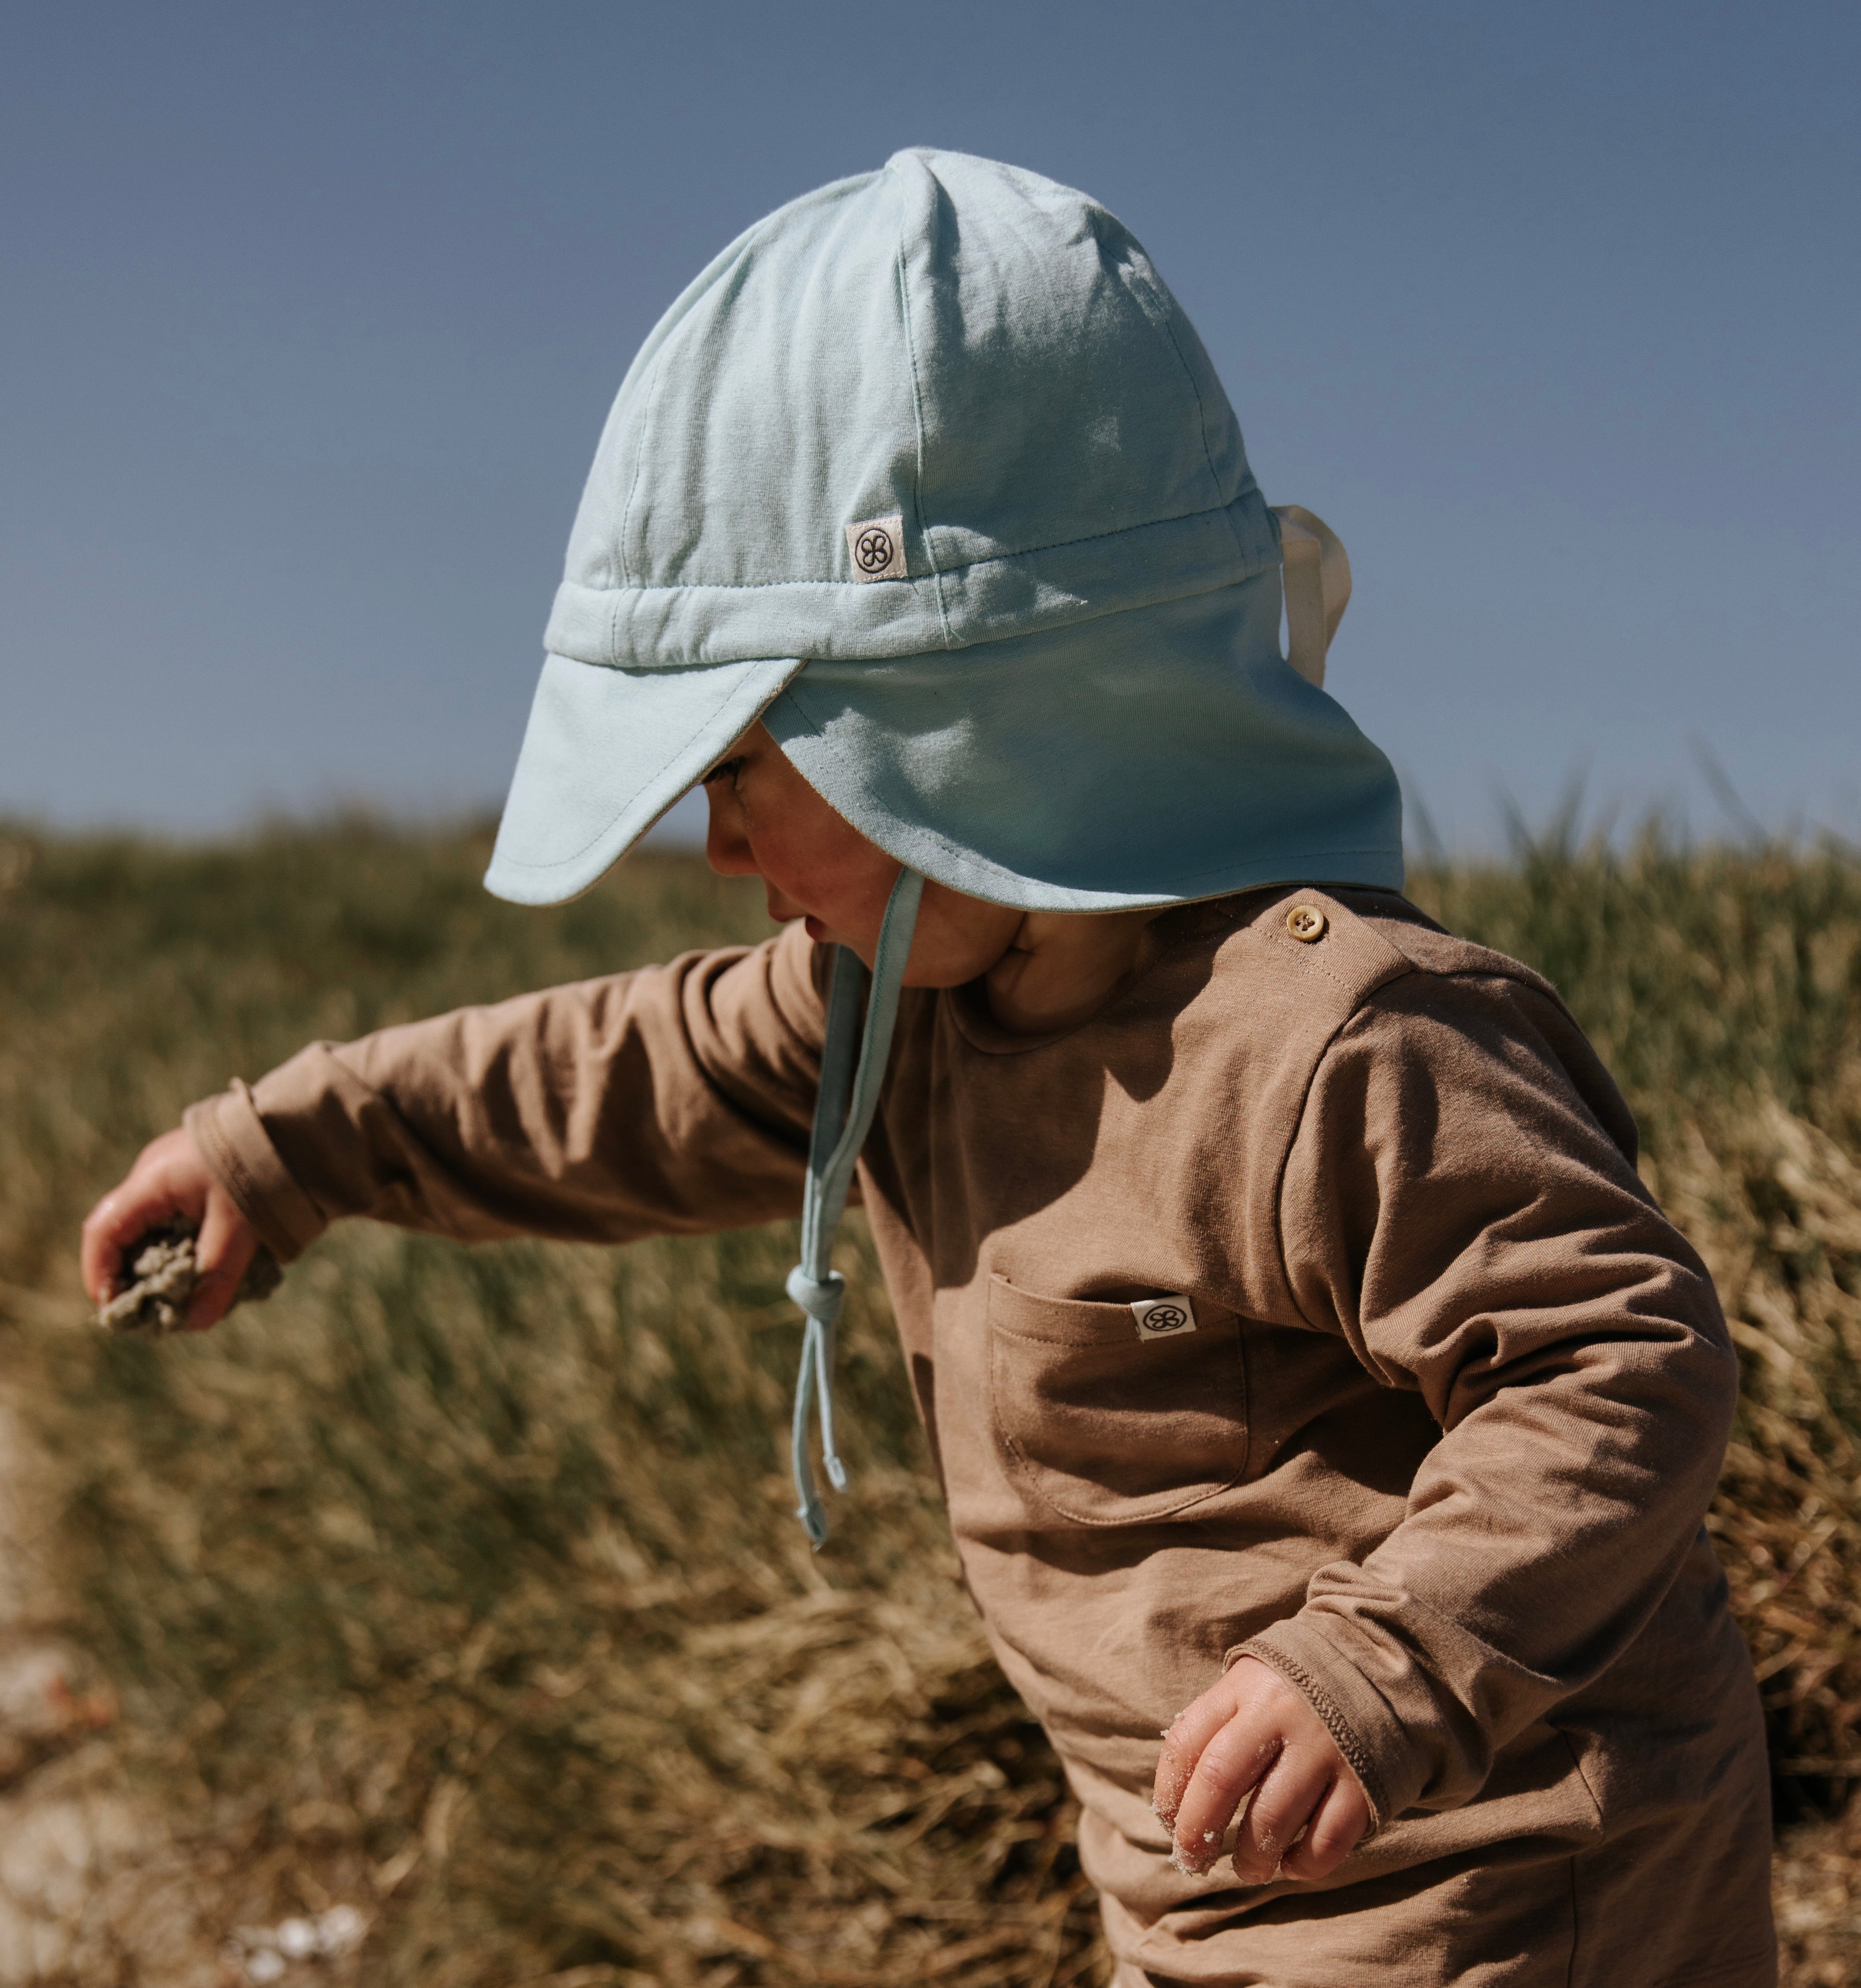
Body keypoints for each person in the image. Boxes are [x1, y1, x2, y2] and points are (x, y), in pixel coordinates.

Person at [81, 151, 1775, 1986]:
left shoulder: (1334, 1041)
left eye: (741, 771)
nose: (718, 849)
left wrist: (1379, 1664)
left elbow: (1618, 1363)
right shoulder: (893, 1009)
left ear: (971, 745)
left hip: (1496, 1897)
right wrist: (286, 1153)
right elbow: (616, 1070)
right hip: (1199, 1895)